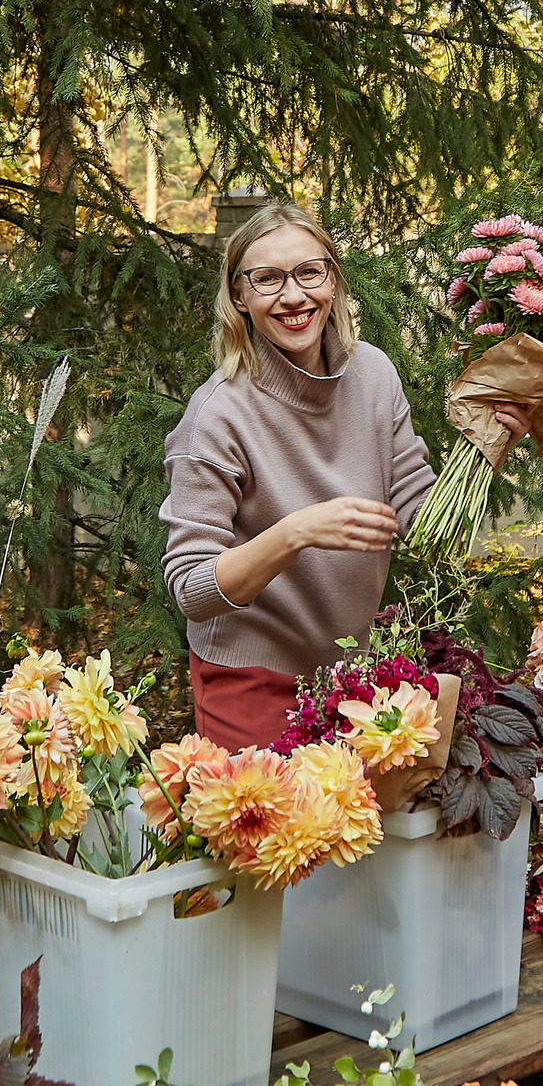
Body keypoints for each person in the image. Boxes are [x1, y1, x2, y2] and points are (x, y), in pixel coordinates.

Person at [160, 201, 436, 748]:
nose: (293, 296)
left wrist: (489, 445)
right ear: (239, 296)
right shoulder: (217, 415)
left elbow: (421, 513)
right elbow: (192, 589)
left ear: (332, 280)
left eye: (310, 272)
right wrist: (296, 532)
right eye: (267, 279)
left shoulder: (374, 374)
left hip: (356, 674)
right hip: (251, 677)